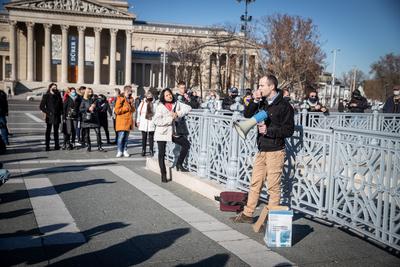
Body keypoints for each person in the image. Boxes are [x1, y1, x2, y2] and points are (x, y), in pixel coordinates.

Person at [231, 74, 294, 223]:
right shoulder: (263, 102)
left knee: (273, 187)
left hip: (275, 151)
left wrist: (269, 131)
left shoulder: (285, 106)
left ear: (271, 87)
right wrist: (255, 100)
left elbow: (289, 130)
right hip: (262, 149)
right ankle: (247, 214)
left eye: (261, 85)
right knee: (255, 183)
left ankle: (272, 219)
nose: (259, 88)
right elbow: (247, 114)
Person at [153, 88, 192, 182]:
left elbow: (188, 108)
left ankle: (179, 164)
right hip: (162, 132)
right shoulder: (160, 106)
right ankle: (163, 175)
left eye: (170, 94)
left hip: (173, 132)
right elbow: (156, 121)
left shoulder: (176, 103)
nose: (169, 96)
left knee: (186, 144)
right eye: (166, 95)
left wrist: (177, 114)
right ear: (163, 97)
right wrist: (170, 119)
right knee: (161, 154)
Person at [40, 83, 63, 151]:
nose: (55, 88)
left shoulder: (58, 95)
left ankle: (57, 145)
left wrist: (61, 112)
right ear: (50, 88)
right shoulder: (46, 95)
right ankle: (47, 146)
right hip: (49, 116)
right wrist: (48, 112)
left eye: (56, 87)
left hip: (57, 116)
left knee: (56, 132)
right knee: (48, 131)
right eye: (53, 87)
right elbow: (41, 106)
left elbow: (61, 105)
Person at [79, 88, 104, 152]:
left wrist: (94, 108)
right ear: (87, 92)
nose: (90, 92)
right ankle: (89, 146)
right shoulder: (84, 100)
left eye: (91, 91)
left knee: (98, 133)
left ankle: (99, 146)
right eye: (89, 91)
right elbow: (81, 109)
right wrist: (88, 109)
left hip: (95, 118)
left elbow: (100, 108)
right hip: (87, 118)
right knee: (87, 134)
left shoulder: (95, 100)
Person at [114, 85, 136, 158]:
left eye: (131, 91)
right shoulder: (120, 98)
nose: (131, 93)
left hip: (128, 121)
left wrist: (131, 105)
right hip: (122, 121)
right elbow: (117, 111)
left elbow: (133, 110)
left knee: (126, 138)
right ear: (126, 91)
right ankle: (119, 150)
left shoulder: (131, 99)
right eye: (130, 91)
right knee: (121, 137)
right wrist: (126, 108)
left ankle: (125, 150)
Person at [137, 91, 156, 156]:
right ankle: (143, 150)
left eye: (150, 97)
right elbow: (139, 112)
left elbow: (156, 113)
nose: (149, 98)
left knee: (151, 137)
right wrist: (138, 121)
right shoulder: (142, 103)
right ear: (146, 97)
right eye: (148, 97)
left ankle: (151, 150)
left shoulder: (155, 103)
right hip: (144, 122)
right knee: (144, 137)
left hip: (151, 122)